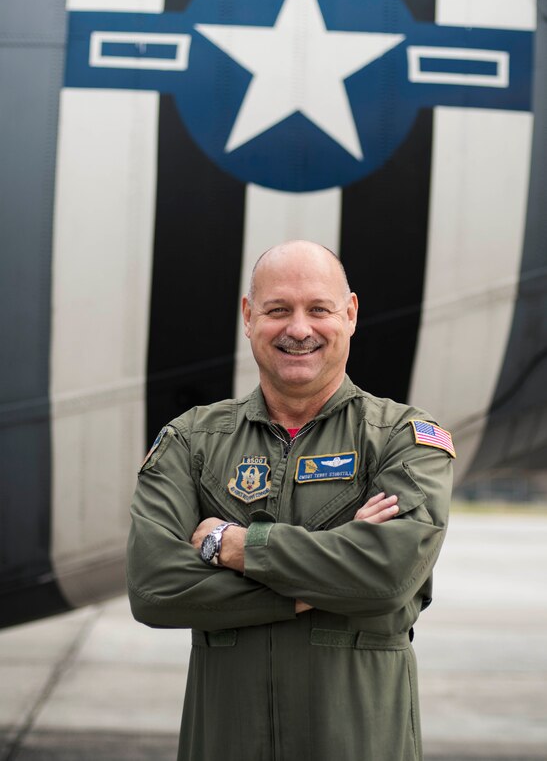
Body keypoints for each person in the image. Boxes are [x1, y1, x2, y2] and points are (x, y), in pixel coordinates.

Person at [127, 240, 454, 761]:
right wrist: (316, 587)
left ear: (349, 314)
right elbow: (153, 587)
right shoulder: (191, 440)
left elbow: (387, 573)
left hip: (359, 743)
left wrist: (233, 545)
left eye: (318, 309)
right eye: (278, 310)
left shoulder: (405, 438)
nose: (298, 329)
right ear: (248, 317)